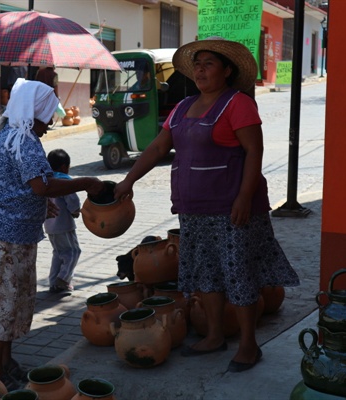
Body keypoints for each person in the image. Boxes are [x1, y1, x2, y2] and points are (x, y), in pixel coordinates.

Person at [113, 37, 300, 373]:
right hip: (193, 208)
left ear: (227, 71)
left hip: (232, 208)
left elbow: (254, 152)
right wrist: (128, 181)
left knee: (238, 274)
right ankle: (214, 335)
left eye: (208, 63)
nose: (200, 69)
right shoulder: (183, 107)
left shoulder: (238, 104)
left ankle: (248, 344)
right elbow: (157, 149)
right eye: (196, 64)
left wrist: (244, 197)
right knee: (206, 273)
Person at [0, 78, 104, 390]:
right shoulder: (22, 139)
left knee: (8, 308)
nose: (50, 122)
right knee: (2, 309)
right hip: (3, 242)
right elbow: (42, 185)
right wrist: (86, 182)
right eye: (47, 114)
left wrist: (39, 208)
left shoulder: (5, 133)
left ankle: (6, 364)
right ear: (34, 111)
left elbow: (19, 187)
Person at [43, 149, 82, 294]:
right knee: (73, 251)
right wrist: (75, 211)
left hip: (49, 225)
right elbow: (72, 200)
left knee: (58, 253)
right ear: (64, 167)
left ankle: (53, 282)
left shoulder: (47, 180)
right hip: (63, 225)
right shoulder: (64, 181)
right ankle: (63, 279)